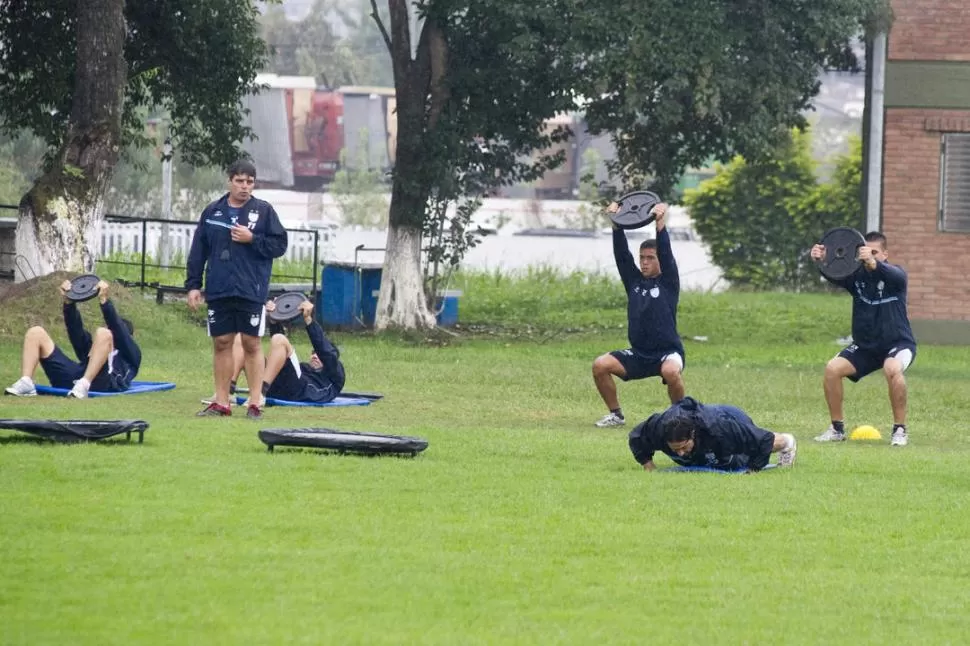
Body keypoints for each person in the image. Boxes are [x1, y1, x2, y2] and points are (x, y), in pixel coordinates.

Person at [185, 159, 288, 419]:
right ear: (229, 181)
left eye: (249, 182)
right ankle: (221, 402)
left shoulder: (263, 212)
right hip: (219, 288)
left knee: (251, 343)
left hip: (250, 288)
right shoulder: (213, 212)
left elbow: (279, 246)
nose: (244, 186)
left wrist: (252, 239)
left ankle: (255, 402)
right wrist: (194, 285)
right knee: (222, 342)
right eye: (239, 181)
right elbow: (199, 250)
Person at [810, 231, 916, 447]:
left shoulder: (896, 276)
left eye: (874, 252)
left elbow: (894, 274)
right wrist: (820, 259)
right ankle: (837, 429)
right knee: (832, 369)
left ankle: (900, 430)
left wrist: (873, 262)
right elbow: (834, 272)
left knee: (892, 369)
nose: (868, 255)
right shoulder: (856, 277)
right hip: (866, 348)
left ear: (885, 254)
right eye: (864, 252)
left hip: (898, 343)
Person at [591, 200, 686, 427]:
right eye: (642, 258)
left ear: (660, 260)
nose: (644, 262)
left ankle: (683, 416)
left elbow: (666, 250)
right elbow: (622, 255)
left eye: (650, 258)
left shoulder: (669, 281)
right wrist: (616, 223)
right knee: (600, 365)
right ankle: (616, 415)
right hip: (639, 354)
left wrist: (660, 222)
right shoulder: (633, 281)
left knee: (671, 372)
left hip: (667, 352)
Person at [4, 280, 140, 399]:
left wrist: (104, 302)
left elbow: (118, 330)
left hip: (102, 384)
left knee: (102, 333)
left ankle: (85, 384)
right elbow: (76, 332)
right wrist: (69, 303)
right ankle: (26, 382)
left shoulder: (131, 356)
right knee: (35, 332)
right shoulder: (96, 346)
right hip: (75, 379)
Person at [627, 397, 797, 472]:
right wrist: (648, 466)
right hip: (704, 429)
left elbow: (764, 440)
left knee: (744, 454)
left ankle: (787, 441)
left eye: (683, 447)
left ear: (692, 435)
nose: (679, 453)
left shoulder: (719, 428)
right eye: (675, 449)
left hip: (730, 416)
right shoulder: (658, 428)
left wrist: (752, 469)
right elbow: (636, 437)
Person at [258, 299, 346, 404]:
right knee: (244, 343)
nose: (314, 356)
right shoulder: (304, 368)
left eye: (318, 355)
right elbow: (282, 358)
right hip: (276, 388)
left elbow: (325, 352)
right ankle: (232, 393)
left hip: (297, 392)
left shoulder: (335, 377)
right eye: (313, 353)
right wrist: (274, 319)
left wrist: (308, 319)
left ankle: (259, 393)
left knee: (279, 339)